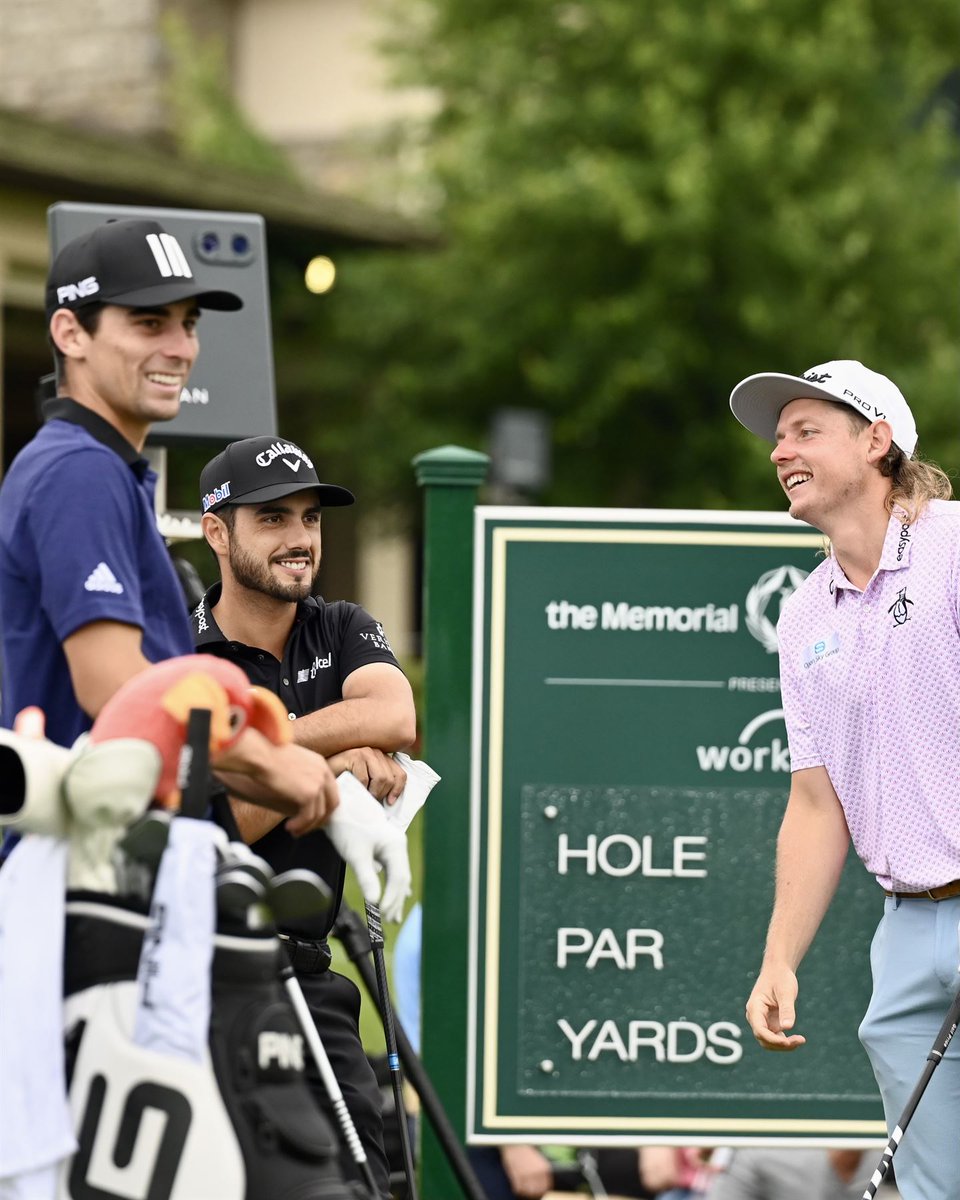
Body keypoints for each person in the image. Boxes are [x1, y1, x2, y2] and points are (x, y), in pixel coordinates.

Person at [0, 217, 336, 829]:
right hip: (83, 872)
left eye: (188, 324)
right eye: (149, 323)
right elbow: (113, 686)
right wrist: (271, 761)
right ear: (70, 332)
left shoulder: (94, 467)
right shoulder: (80, 470)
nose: (180, 348)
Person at [729, 359, 958, 1200]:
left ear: (876, 440)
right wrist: (779, 958)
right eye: (777, 436)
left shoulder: (954, 549)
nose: (780, 449)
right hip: (906, 937)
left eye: (804, 430)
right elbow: (817, 801)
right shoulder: (803, 615)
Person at [193, 433, 417, 1198]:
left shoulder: (339, 623)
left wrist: (263, 755)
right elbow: (219, 824)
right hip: (204, 972)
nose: (299, 540)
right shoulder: (187, 654)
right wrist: (328, 756)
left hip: (312, 972)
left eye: (311, 519)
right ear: (217, 533)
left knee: (360, 1182)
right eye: (273, 519)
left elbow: (393, 715)